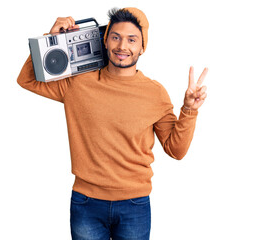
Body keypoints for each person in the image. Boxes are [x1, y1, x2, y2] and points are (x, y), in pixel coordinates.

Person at [17, 7, 208, 240]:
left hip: (135, 205)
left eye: (132, 39)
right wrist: (51, 40)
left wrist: (189, 109)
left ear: (142, 47)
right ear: (105, 41)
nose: (122, 47)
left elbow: (176, 150)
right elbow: (26, 79)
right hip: (86, 202)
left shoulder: (154, 93)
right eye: (116, 37)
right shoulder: (78, 83)